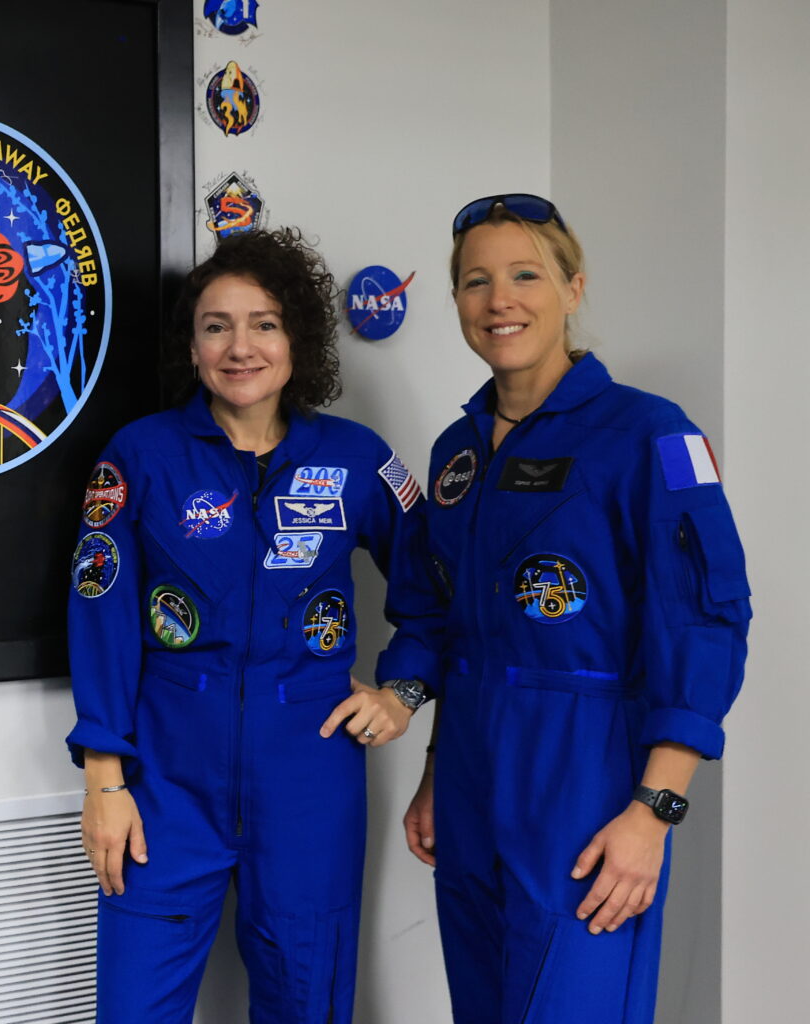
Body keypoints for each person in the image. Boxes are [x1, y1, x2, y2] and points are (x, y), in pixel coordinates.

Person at [69, 228, 442, 1023]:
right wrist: (105, 778)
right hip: (165, 779)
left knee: (308, 1005)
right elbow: (97, 617)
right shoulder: (141, 456)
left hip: (309, 773)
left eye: (264, 323)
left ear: (297, 338)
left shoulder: (355, 458)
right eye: (216, 325)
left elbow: (436, 587)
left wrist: (404, 690)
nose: (240, 347)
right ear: (192, 344)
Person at [399, 195, 750, 1023]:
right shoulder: (456, 453)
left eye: (526, 275)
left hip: (586, 773)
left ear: (573, 287)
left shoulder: (649, 434)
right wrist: (434, 774)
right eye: (475, 281)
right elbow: (456, 628)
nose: (499, 300)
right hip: (472, 772)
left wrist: (654, 812)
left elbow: (705, 623)